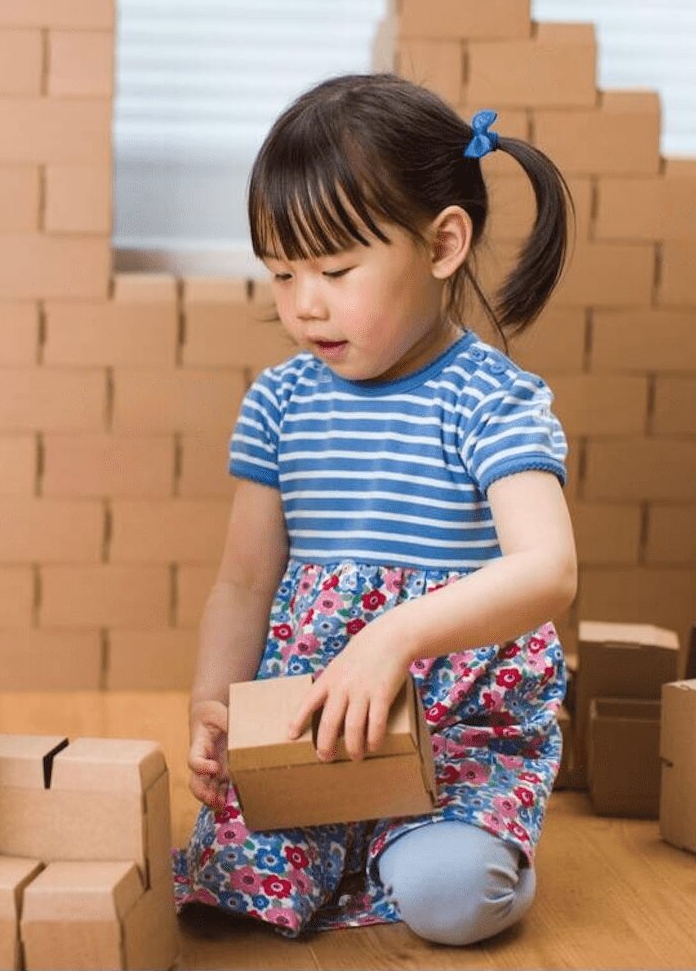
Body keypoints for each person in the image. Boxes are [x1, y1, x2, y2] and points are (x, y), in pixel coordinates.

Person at [171, 73, 578, 946]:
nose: (303, 303)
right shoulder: (281, 402)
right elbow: (245, 583)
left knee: (450, 899)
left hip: (458, 732)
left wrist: (393, 635)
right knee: (221, 888)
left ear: (442, 245)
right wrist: (215, 701)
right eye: (281, 273)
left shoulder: (492, 401)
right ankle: (342, 848)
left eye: (335, 269)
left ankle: (453, 844)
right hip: (316, 730)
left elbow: (549, 570)